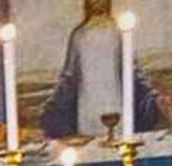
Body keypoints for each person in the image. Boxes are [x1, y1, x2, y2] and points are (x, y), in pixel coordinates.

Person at [39, 0, 169, 138]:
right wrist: (52, 104)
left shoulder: (117, 32)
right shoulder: (79, 35)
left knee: (119, 137)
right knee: (90, 140)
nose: (97, 2)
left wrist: (153, 95)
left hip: (114, 98)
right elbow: (69, 74)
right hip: (88, 102)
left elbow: (132, 68)